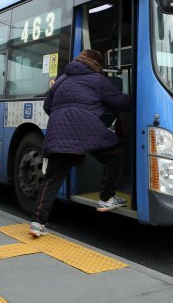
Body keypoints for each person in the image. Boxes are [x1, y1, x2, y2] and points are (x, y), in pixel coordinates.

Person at [29, 50, 131, 238]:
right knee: (114, 154)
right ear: (97, 64)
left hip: (58, 131)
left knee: (51, 179)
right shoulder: (98, 79)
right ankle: (106, 198)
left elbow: (46, 105)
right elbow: (121, 101)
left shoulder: (61, 80)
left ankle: (37, 223)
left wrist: (63, 118)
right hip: (86, 127)